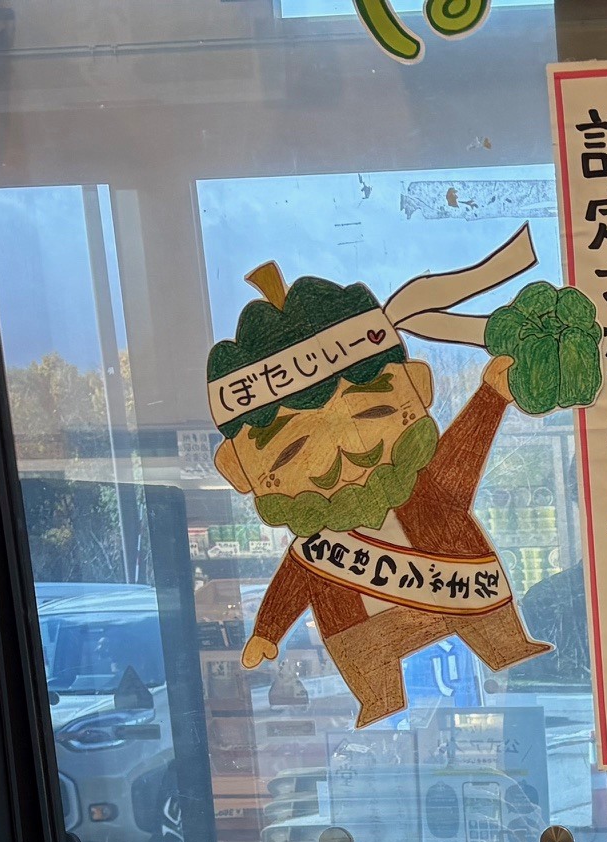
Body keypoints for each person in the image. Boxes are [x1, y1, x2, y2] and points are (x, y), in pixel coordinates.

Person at [207, 262, 550, 724]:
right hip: (360, 628)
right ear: (240, 470)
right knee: (370, 672)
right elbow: (291, 582)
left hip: (462, 594)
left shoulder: (424, 490)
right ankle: (378, 699)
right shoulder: (315, 549)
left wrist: (491, 397)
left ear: (418, 388)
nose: (345, 453)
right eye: (294, 451)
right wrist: (268, 630)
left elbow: (461, 457)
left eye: (372, 414)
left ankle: (507, 647)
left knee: (494, 632)